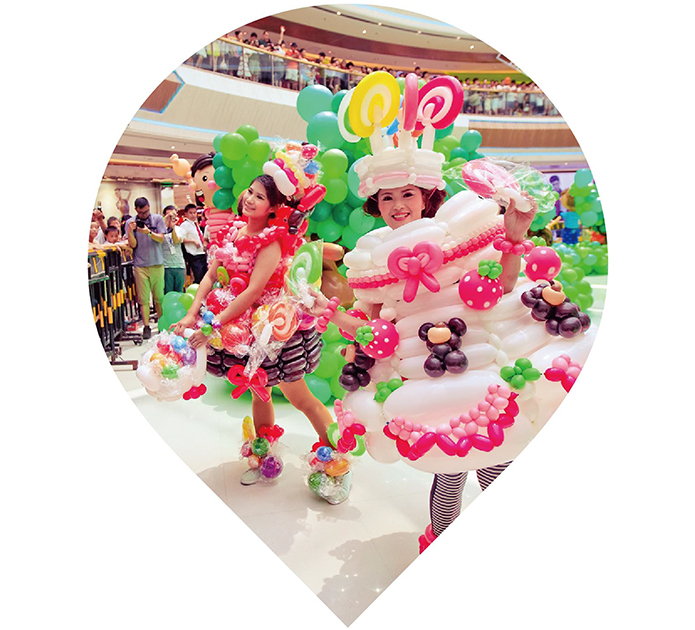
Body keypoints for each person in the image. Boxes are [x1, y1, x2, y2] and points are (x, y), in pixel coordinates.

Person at [308, 71, 592, 552]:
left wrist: (515, 236)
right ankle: (443, 540)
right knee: (448, 473)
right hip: (422, 377)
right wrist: (330, 312)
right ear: (377, 203)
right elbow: (370, 329)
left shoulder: (462, 234)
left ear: (426, 196)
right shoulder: (369, 260)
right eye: (388, 197)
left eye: (407, 194)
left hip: (482, 360)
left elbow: (502, 287)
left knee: (498, 461)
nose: (398, 205)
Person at [172, 169, 340, 494]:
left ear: (273, 208)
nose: (249, 199)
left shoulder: (271, 242)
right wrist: (193, 313)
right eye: (250, 191)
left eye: (260, 197)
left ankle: (337, 460)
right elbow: (211, 276)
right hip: (239, 328)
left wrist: (212, 325)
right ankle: (264, 456)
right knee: (258, 391)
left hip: (271, 329)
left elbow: (252, 292)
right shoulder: (232, 231)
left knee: (300, 398)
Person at [125, 197, 166, 339]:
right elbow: (133, 245)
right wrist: (130, 231)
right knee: (143, 299)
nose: (144, 215)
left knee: (159, 297)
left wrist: (148, 232)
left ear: (149, 207)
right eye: (141, 213)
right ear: (136, 210)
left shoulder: (157, 219)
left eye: (146, 211)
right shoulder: (130, 222)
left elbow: (161, 238)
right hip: (140, 266)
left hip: (157, 263)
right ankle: (146, 326)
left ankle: (161, 324)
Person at [178, 203, 208, 284]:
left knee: (204, 277)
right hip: (194, 255)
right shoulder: (184, 225)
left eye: (194, 212)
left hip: (202, 253)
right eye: (190, 213)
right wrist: (193, 241)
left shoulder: (195, 224)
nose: (193, 215)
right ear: (186, 214)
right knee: (198, 277)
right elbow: (181, 239)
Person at [162, 205, 186, 294]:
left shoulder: (180, 229)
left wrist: (172, 228)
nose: (171, 218)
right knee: (168, 293)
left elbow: (176, 241)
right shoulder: (160, 230)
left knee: (179, 292)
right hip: (166, 266)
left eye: (173, 215)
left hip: (179, 265)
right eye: (168, 215)